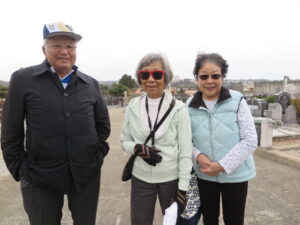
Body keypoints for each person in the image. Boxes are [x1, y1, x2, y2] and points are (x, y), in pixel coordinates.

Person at [1, 21, 110, 225]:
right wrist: (21, 170)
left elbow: (102, 127)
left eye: (70, 46)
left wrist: (96, 156)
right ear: (44, 49)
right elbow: (10, 132)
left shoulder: (91, 84)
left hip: (85, 174)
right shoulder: (23, 80)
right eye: (56, 45)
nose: (64, 51)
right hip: (39, 177)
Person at [120, 53, 193, 225]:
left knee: (173, 222)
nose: (151, 79)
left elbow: (185, 151)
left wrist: (183, 187)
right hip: (141, 178)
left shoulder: (179, 110)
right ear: (140, 78)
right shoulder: (133, 106)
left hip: (171, 179)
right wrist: (137, 148)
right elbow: (124, 141)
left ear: (166, 77)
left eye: (157, 74)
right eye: (145, 75)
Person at [187, 53, 257, 225]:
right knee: (209, 219)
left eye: (215, 75)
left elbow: (250, 139)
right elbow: (185, 139)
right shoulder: (189, 105)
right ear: (196, 78)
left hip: (235, 175)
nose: (209, 81)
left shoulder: (237, 100)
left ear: (223, 76)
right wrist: (198, 156)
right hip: (205, 175)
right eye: (204, 76)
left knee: (234, 220)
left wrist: (221, 166)